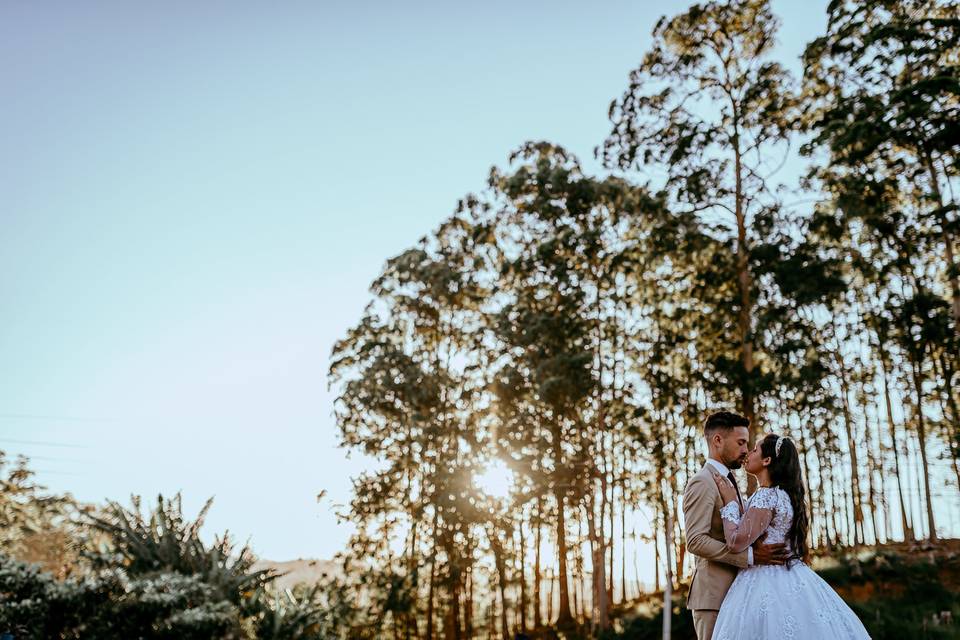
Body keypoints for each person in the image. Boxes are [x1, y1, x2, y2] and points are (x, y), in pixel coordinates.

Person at [710, 433, 871, 639]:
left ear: (767, 460)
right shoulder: (785, 496)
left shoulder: (767, 495)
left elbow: (735, 541)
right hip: (793, 577)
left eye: (755, 450)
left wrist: (730, 501)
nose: (748, 453)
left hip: (763, 582)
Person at [683, 411, 790, 640]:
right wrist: (750, 557)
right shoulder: (702, 482)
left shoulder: (731, 483)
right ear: (718, 441)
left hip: (741, 595)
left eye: (748, 444)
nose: (745, 450)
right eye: (741, 442)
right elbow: (695, 540)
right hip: (714, 598)